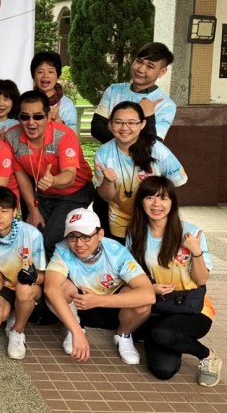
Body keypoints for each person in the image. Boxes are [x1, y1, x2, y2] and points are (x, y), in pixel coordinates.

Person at [127, 176, 221, 386]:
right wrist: (150, 287)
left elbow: (201, 279)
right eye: (150, 197)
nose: (156, 204)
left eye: (163, 198)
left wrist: (196, 251)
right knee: (163, 370)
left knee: (162, 333)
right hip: (158, 306)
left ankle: (208, 356)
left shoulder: (190, 232)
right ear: (141, 201)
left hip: (192, 308)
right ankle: (164, 336)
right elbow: (131, 274)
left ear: (172, 202)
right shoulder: (135, 233)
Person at [45, 208, 155, 365]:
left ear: (100, 234)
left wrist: (97, 300)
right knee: (59, 287)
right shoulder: (62, 249)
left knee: (141, 302)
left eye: (85, 237)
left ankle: (123, 335)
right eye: (72, 237)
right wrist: (76, 332)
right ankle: (74, 326)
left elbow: (148, 295)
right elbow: (51, 288)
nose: (79, 244)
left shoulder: (117, 252)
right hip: (80, 306)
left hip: (113, 307)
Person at [3, 91, 94, 257]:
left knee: (48, 241)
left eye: (38, 116)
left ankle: (61, 273)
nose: (31, 122)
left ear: (48, 116)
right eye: (25, 117)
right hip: (43, 195)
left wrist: (53, 180)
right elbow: (21, 177)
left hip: (74, 193)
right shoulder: (12, 137)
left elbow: (70, 175)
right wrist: (33, 210)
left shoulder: (64, 135)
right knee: (31, 238)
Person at [94, 102, 187, 243]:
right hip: (119, 220)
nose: (124, 128)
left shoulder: (158, 150)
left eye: (131, 123)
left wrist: (157, 202)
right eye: (118, 122)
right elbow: (107, 197)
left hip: (152, 218)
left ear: (142, 124)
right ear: (110, 124)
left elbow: (177, 181)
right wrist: (108, 181)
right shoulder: (103, 153)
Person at [0, 187, 46, 360]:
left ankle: (17, 331)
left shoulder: (32, 234)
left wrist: (33, 277)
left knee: (23, 289)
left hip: (32, 288)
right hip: (8, 287)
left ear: (15, 211)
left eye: (4, 211)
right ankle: (13, 313)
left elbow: (44, 277)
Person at [92, 42, 176, 143]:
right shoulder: (113, 90)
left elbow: (153, 143)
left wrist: (149, 116)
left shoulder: (166, 105)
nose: (141, 69)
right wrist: (129, 141)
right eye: (139, 61)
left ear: (162, 71)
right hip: (109, 153)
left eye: (150, 66)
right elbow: (97, 128)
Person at [31, 51, 77, 130]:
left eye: (50, 71)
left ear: (57, 75)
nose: (45, 76)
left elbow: (72, 135)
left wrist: (58, 121)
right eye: (40, 72)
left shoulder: (67, 105)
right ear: (33, 76)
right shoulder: (25, 102)